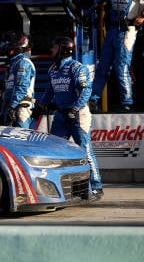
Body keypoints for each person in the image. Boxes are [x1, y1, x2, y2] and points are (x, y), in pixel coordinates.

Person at [38, 36, 103, 199]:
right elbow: (49, 91)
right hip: (61, 116)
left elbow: (86, 92)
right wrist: (40, 105)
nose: (50, 50)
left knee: (85, 150)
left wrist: (74, 109)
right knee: (53, 150)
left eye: (53, 47)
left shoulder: (77, 68)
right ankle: (59, 187)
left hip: (78, 115)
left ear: (62, 49)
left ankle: (96, 187)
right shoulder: (52, 69)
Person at [0, 32, 36, 128]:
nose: (5, 46)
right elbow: (8, 89)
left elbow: (21, 87)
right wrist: (4, 111)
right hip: (11, 106)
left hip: (21, 105)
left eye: (8, 43)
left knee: (21, 138)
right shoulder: (12, 63)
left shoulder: (23, 62)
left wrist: (12, 106)